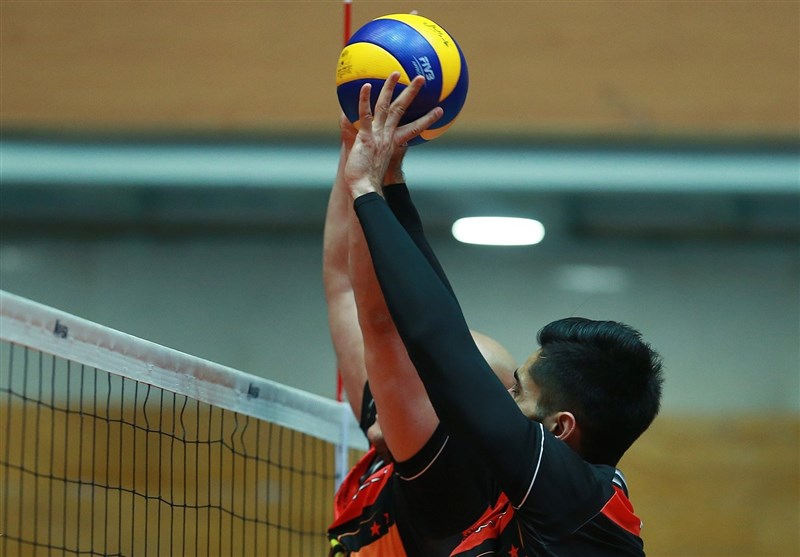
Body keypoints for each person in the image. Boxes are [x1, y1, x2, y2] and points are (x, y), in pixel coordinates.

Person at [340, 72, 664, 556]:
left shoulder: (575, 498)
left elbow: (440, 345)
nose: (499, 397)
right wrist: (391, 183)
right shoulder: (553, 502)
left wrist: (366, 190)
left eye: (518, 391)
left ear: (559, 427)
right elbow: (444, 329)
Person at [324, 112, 518, 556]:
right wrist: (354, 142)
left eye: (429, 378)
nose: (410, 369)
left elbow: (379, 321)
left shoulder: (451, 491)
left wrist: (367, 180)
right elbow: (344, 285)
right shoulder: (391, 421)